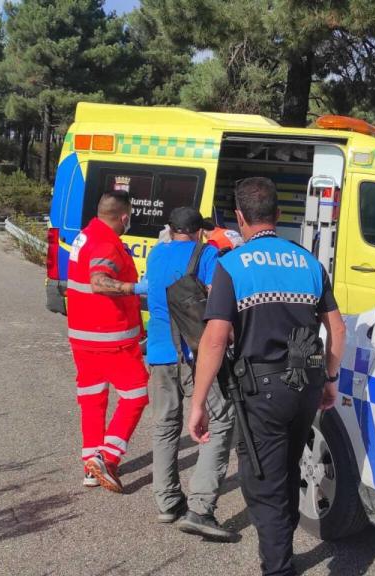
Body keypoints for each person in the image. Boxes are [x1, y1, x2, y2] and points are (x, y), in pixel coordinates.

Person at [187, 177, 347, 575]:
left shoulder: (232, 265)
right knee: (289, 469)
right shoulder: (309, 262)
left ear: (240, 217)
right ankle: (283, 549)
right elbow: (337, 329)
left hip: (263, 392)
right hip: (306, 384)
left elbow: (214, 340)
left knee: (263, 481)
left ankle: (278, 567)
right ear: (278, 215)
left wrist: (198, 402)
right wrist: (329, 379)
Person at [144, 206, 236, 540]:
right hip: (192, 354)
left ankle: (168, 502)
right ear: (199, 231)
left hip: (158, 352)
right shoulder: (208, 254)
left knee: (166, 425)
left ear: (171, 229)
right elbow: (219, 302)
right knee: (221, 419)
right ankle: (200, 506)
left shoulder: (156, 254)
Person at [67, 191, 149, 493]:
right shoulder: (106, 243)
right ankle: (108, 456)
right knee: (136, 394)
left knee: (92, 399)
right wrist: (135, 287)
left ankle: (91, 465)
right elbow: (99, 281)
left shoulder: (86, 236)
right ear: (124, 217)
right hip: (110, 339)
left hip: (83, 337)